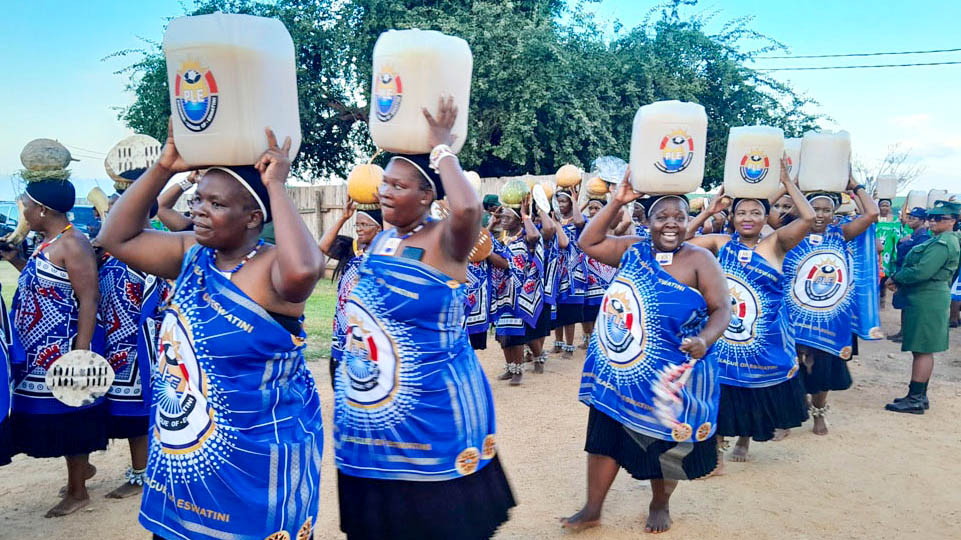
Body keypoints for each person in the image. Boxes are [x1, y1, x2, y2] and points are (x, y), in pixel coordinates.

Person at [97, 120, 325, 540]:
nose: (199, 209)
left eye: (216, 204)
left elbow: (307, 269)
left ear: (253, 217)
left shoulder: (272, 269)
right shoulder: (190, 254)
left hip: (254, 457)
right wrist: (165, 165)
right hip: (186, 451)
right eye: (198, 199)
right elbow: (114, 236)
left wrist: (277, 184)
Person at [333, 97, 515, 539]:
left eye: (398, 186)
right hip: (373, 409)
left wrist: (442, 148)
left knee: (436, 520)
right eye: (385, 183)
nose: (385, 192)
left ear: (427, 195)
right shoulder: (380, 241)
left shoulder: (445, 240)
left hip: (435, 404)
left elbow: (469, 210)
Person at [563, 171, 730, 534]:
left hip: (673, 373)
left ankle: (660, 502)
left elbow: (722, 310)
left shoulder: (701, 259)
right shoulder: (632, 249)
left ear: (688, 222)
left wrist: (705, 339)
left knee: (666, 446)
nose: (671, 224)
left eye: (679, 218)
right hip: (622, 367)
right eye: (662, 217)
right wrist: (617, 201)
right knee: (605, 435)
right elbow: (588, 243)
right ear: (648, 221)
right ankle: (593, 508)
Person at [684, 162, 814, 465]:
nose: (748, 218)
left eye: (756, 212)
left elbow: (807, 217)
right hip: (723, 335)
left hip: (762, 337)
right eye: (741, 212)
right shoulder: (721, 243)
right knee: (721, 389)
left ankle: (744, 440)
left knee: (752, 392)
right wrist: (706, 211)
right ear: (731, 217)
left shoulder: (776, 243)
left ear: (764, 217)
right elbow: (682, 242)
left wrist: (787, 183)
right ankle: (716, 446)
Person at [1, 177, 105, 517]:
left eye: (27, 205)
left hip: (63, 347)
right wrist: (14, 259)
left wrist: (81, 352)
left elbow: (89, 298)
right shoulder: (49, 242)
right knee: (51, 417)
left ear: (42, 209)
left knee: (70, 415)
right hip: (39, 350)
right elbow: (45, 285)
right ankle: (81, 473)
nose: (25, 212)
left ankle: (78, 492)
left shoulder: (74, 243)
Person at [781, 174, 879, 435]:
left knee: (823, 368)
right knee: (792, 365)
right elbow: (766, 211)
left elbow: (871, 214)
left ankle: (818, 412)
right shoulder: (790, 234)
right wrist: (791, 184)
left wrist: (853, 184)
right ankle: (793, 414)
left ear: (835, 212)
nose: (820, 215)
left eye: (826, 209)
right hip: (794, 315)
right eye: (815, 209)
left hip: (829, 317)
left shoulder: (841, 233)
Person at [94, 196, 171, 499]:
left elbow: (160, 303)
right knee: (124, 414)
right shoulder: (114, 252)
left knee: (136, 415)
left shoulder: (154, 252)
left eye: (117, 210)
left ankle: (142, 474)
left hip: (141, 349)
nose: (112, 215)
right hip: (115, 345)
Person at [884, 201, 961, 413]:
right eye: (932, 217)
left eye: (940, 218)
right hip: (924, 297)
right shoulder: (940, 240)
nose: (933, 221)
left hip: (928, 297)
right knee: (921, 348)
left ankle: (915, 399)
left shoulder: (944, 243)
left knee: (923, 349)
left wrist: (897, 278)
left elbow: (921, 271)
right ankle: (918, 395)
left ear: (953, 221)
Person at [319, 196, 383, 382]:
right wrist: (343, 218)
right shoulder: (351, 249)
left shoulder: (387, 253)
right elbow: (323, 246)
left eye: (365, 224)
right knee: (339, 379)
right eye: (357, 225)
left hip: (371, 328)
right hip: (344, 325)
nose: (359, 229)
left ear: (378, 228)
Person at [489, 192, 549, 384]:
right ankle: (510, 368)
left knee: (517, 333)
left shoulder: (525, 237)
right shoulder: (505, 239)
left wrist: (525, 215)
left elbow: (535, 235)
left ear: (518, 221)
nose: (503, 220)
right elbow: (483, 241)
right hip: (503, 292)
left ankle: (521, 370)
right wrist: (492, 222)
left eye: (507, 217)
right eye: (502, 217)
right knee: (503, 333)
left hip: (521, 293)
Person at [551, 185, 587, 358]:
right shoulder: (553, 221)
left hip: (573, 271)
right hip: (557, 269)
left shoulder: (579, 220)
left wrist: (575, 201)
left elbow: (580, 223)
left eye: (564, 201)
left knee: (569, 308)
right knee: (557, 307)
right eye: (558, 202)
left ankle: (569, 346)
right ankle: (557, 343)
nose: (561, 204)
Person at [888, 207, 931, 342]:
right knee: (903, 305)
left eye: (914, 218)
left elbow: (914, 258)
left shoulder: (923, 237)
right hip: (902, 273)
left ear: (923, 221)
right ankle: (903, 332)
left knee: (910, 306)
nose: (910, 220)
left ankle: (909, 334)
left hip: (910, 276)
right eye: (909, 217)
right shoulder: (912, 235)